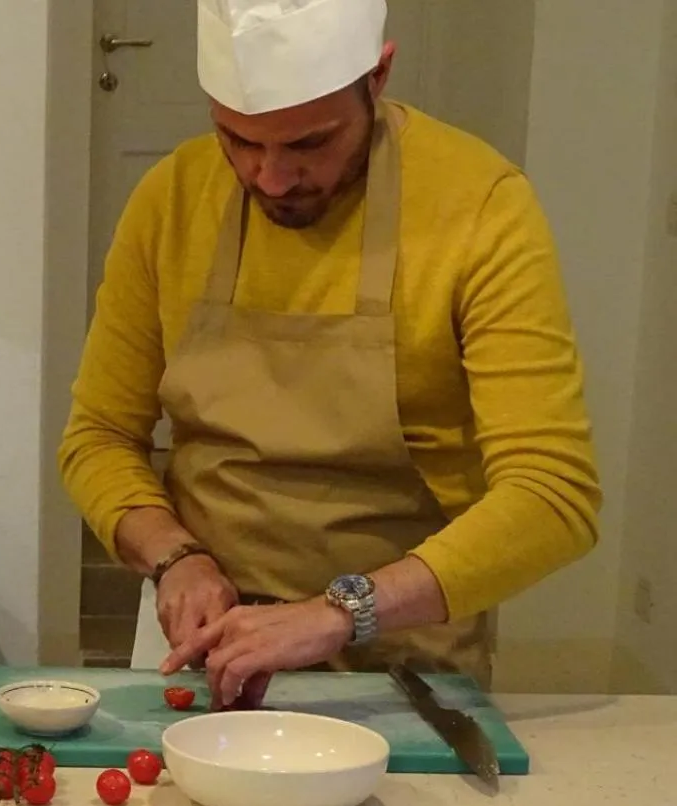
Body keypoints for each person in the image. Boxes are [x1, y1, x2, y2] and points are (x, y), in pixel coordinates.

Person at [59, 0, 601, 709]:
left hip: (405, 656)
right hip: (207, 645)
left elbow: (554, 494)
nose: (270, 178)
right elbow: (97, 438)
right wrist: (175, 558)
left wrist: (341, 611)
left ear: (377, 78)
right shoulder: (171, 199)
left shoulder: (479, 207)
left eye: (309, 145)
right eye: (237, 140)